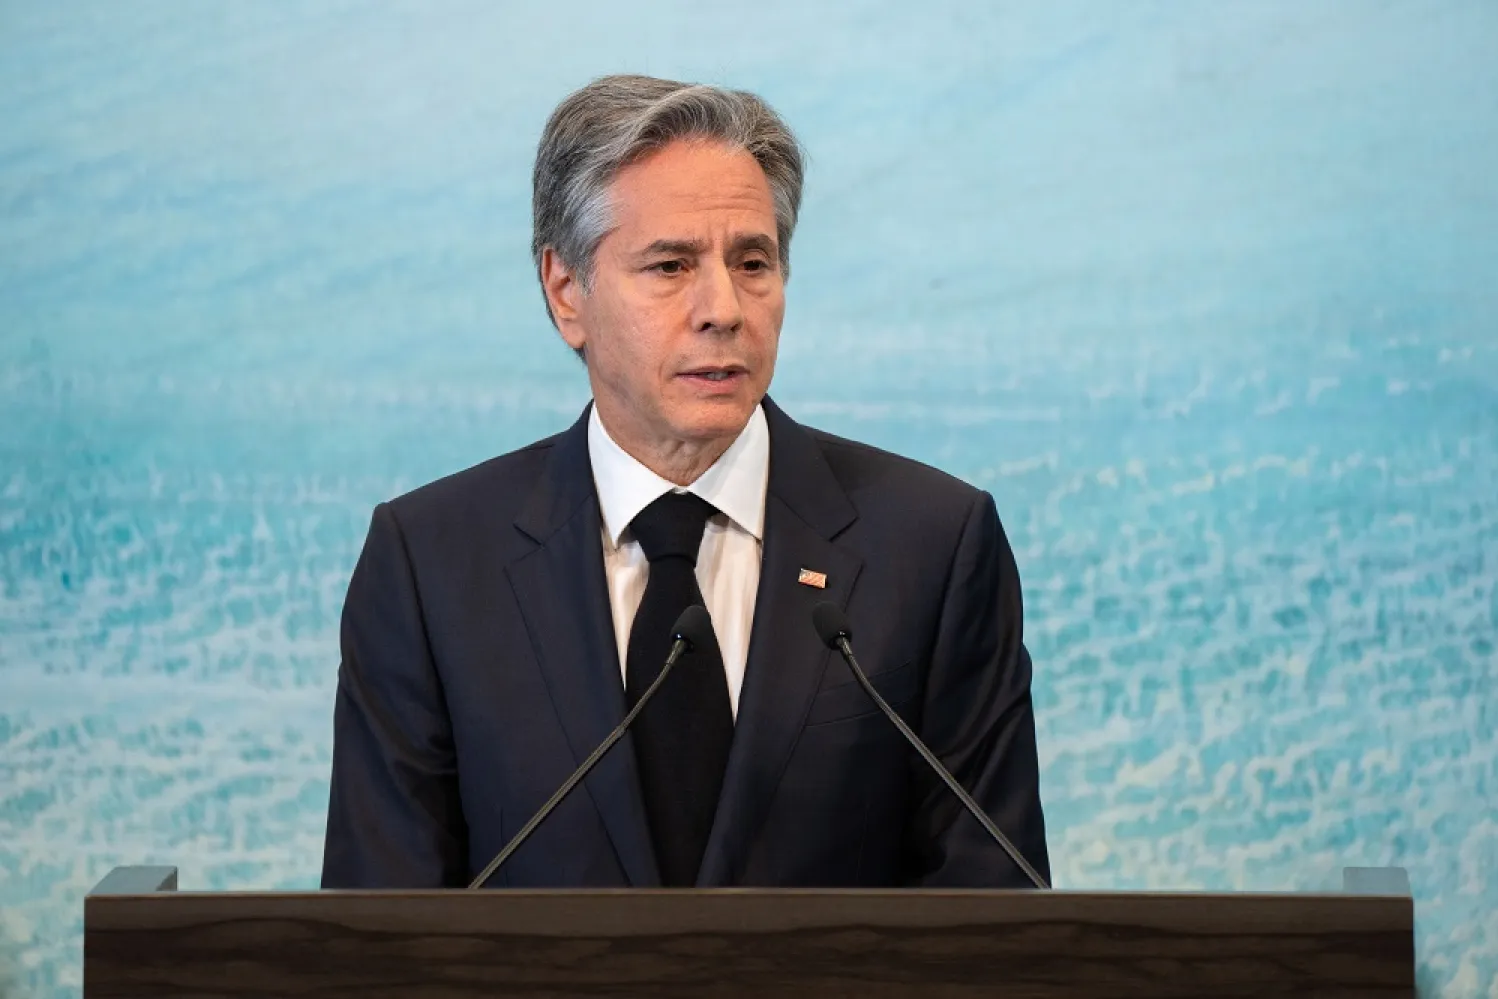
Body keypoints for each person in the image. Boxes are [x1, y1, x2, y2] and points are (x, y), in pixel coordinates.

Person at [322, 74, 1049, 889]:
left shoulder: (934, 546)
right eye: (670, 265)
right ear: (568, 293)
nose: (724, 308)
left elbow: (997, 907)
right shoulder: (431, 567)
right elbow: (379, 929)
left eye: (752, 262)